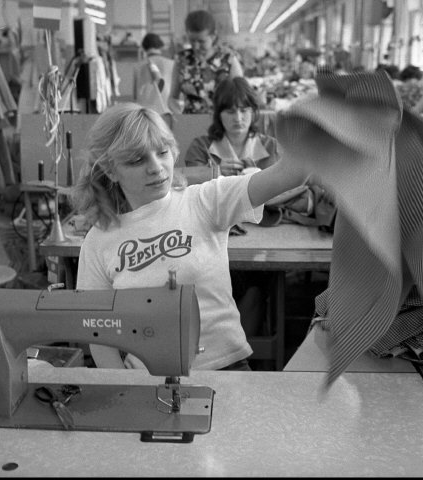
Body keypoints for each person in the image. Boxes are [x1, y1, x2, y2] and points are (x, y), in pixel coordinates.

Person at [71, 103, 305, 371]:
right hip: (148, 383)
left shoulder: (206, 201)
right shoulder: (98, 241)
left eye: (162, 152)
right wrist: (126, 389)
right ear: (111, 170)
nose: (156, 167)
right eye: (137, 160)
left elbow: (289, 174)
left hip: (226, 370)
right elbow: (98, 333)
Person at [183, 77, 282, 337]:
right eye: (230, 110)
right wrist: (213, 174)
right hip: (210, 239)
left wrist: (258, 181)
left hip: (260, 241)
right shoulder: (202, 147)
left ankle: (240, 352)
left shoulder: (270, 147)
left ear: (254, 112)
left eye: (244, 110)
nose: (238, 117)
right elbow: (183, 187)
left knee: (256, 285)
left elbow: (289, 190)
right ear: (218, 115)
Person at [168, 10, 243, 114]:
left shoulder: (228, 59)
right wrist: (178, 113)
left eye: (201, 41)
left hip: (222, 123)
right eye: (192, 40)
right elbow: (172, 98)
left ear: (213, 36)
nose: (196, 46)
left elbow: (241, 95)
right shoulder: (182, 60)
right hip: (191, 123)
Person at [133, 32, 174, 114]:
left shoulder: (137, 66)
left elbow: (135, 95)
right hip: (167, 109)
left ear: (144, 47)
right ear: (160, 45)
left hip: (145, 111)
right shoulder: (172, 64)